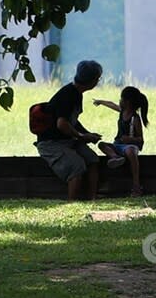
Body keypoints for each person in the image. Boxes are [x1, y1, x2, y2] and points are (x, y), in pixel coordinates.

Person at [34, 60, 104, 201]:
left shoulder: (76, 93)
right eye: (98, 78)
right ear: (92, 80)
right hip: (52, 143)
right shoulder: (68, 95)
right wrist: (82, 136)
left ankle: (92, 198)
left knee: (92, 159)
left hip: (67, 140)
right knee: (76, 166)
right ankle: (72, 203)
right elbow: (62, 124)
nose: (98, 81)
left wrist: (86, 134)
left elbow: (72, 120)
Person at [93, 86, 149, 196]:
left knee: (130, 152)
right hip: (118, 145)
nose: (119, 101)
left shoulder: (135, 118)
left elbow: (141, 140)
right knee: (102, 145)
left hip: (130, 146)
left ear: (127, 102)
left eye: (121, 99)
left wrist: (130, 139)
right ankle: (116, 157)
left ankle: (136, 185)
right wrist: (100, 102)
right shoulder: (122, 111)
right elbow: (111, 104)